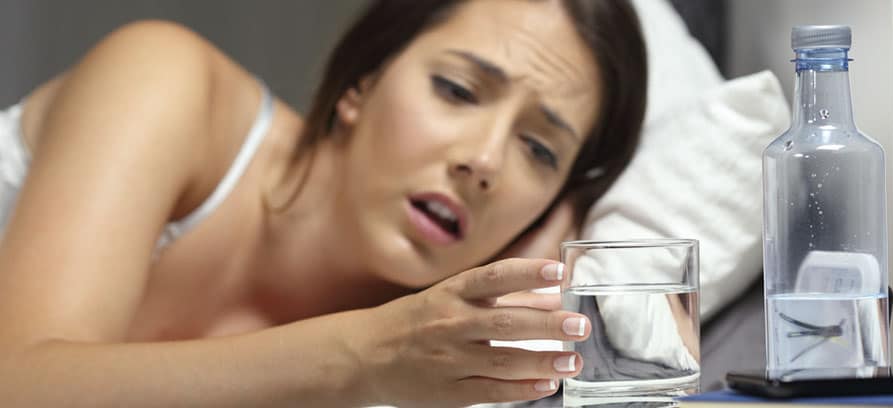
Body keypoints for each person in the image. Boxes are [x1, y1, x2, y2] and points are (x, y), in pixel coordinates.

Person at [0, 0, 646, 406]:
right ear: (360, 86)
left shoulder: (429, 351)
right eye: (455, 89)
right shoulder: (167, 84)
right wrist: (362, 357)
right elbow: (18, 385)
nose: (483, 161)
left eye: (538, 151)